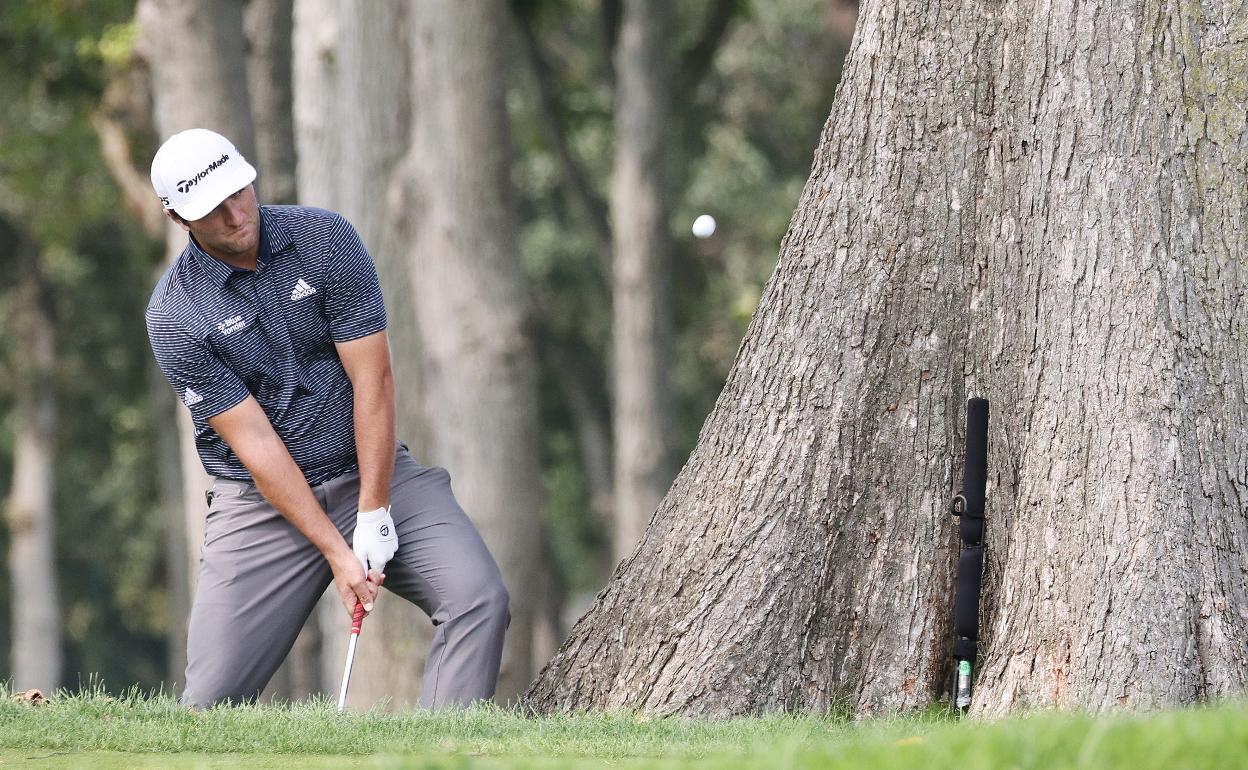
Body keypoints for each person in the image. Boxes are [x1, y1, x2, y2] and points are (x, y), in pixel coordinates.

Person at [145, 128, 509, 709]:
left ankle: (440, 753)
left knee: (477, 597)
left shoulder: (324, 238)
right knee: (208, 705)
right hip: (262, 506)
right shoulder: (174, 314)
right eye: (211, 208)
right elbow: (257, 448)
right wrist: (340, 555)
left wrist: (374, 508)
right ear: (177, 218)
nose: (236, 213)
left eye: (238, 191)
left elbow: (375, 380)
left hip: (370, 471)